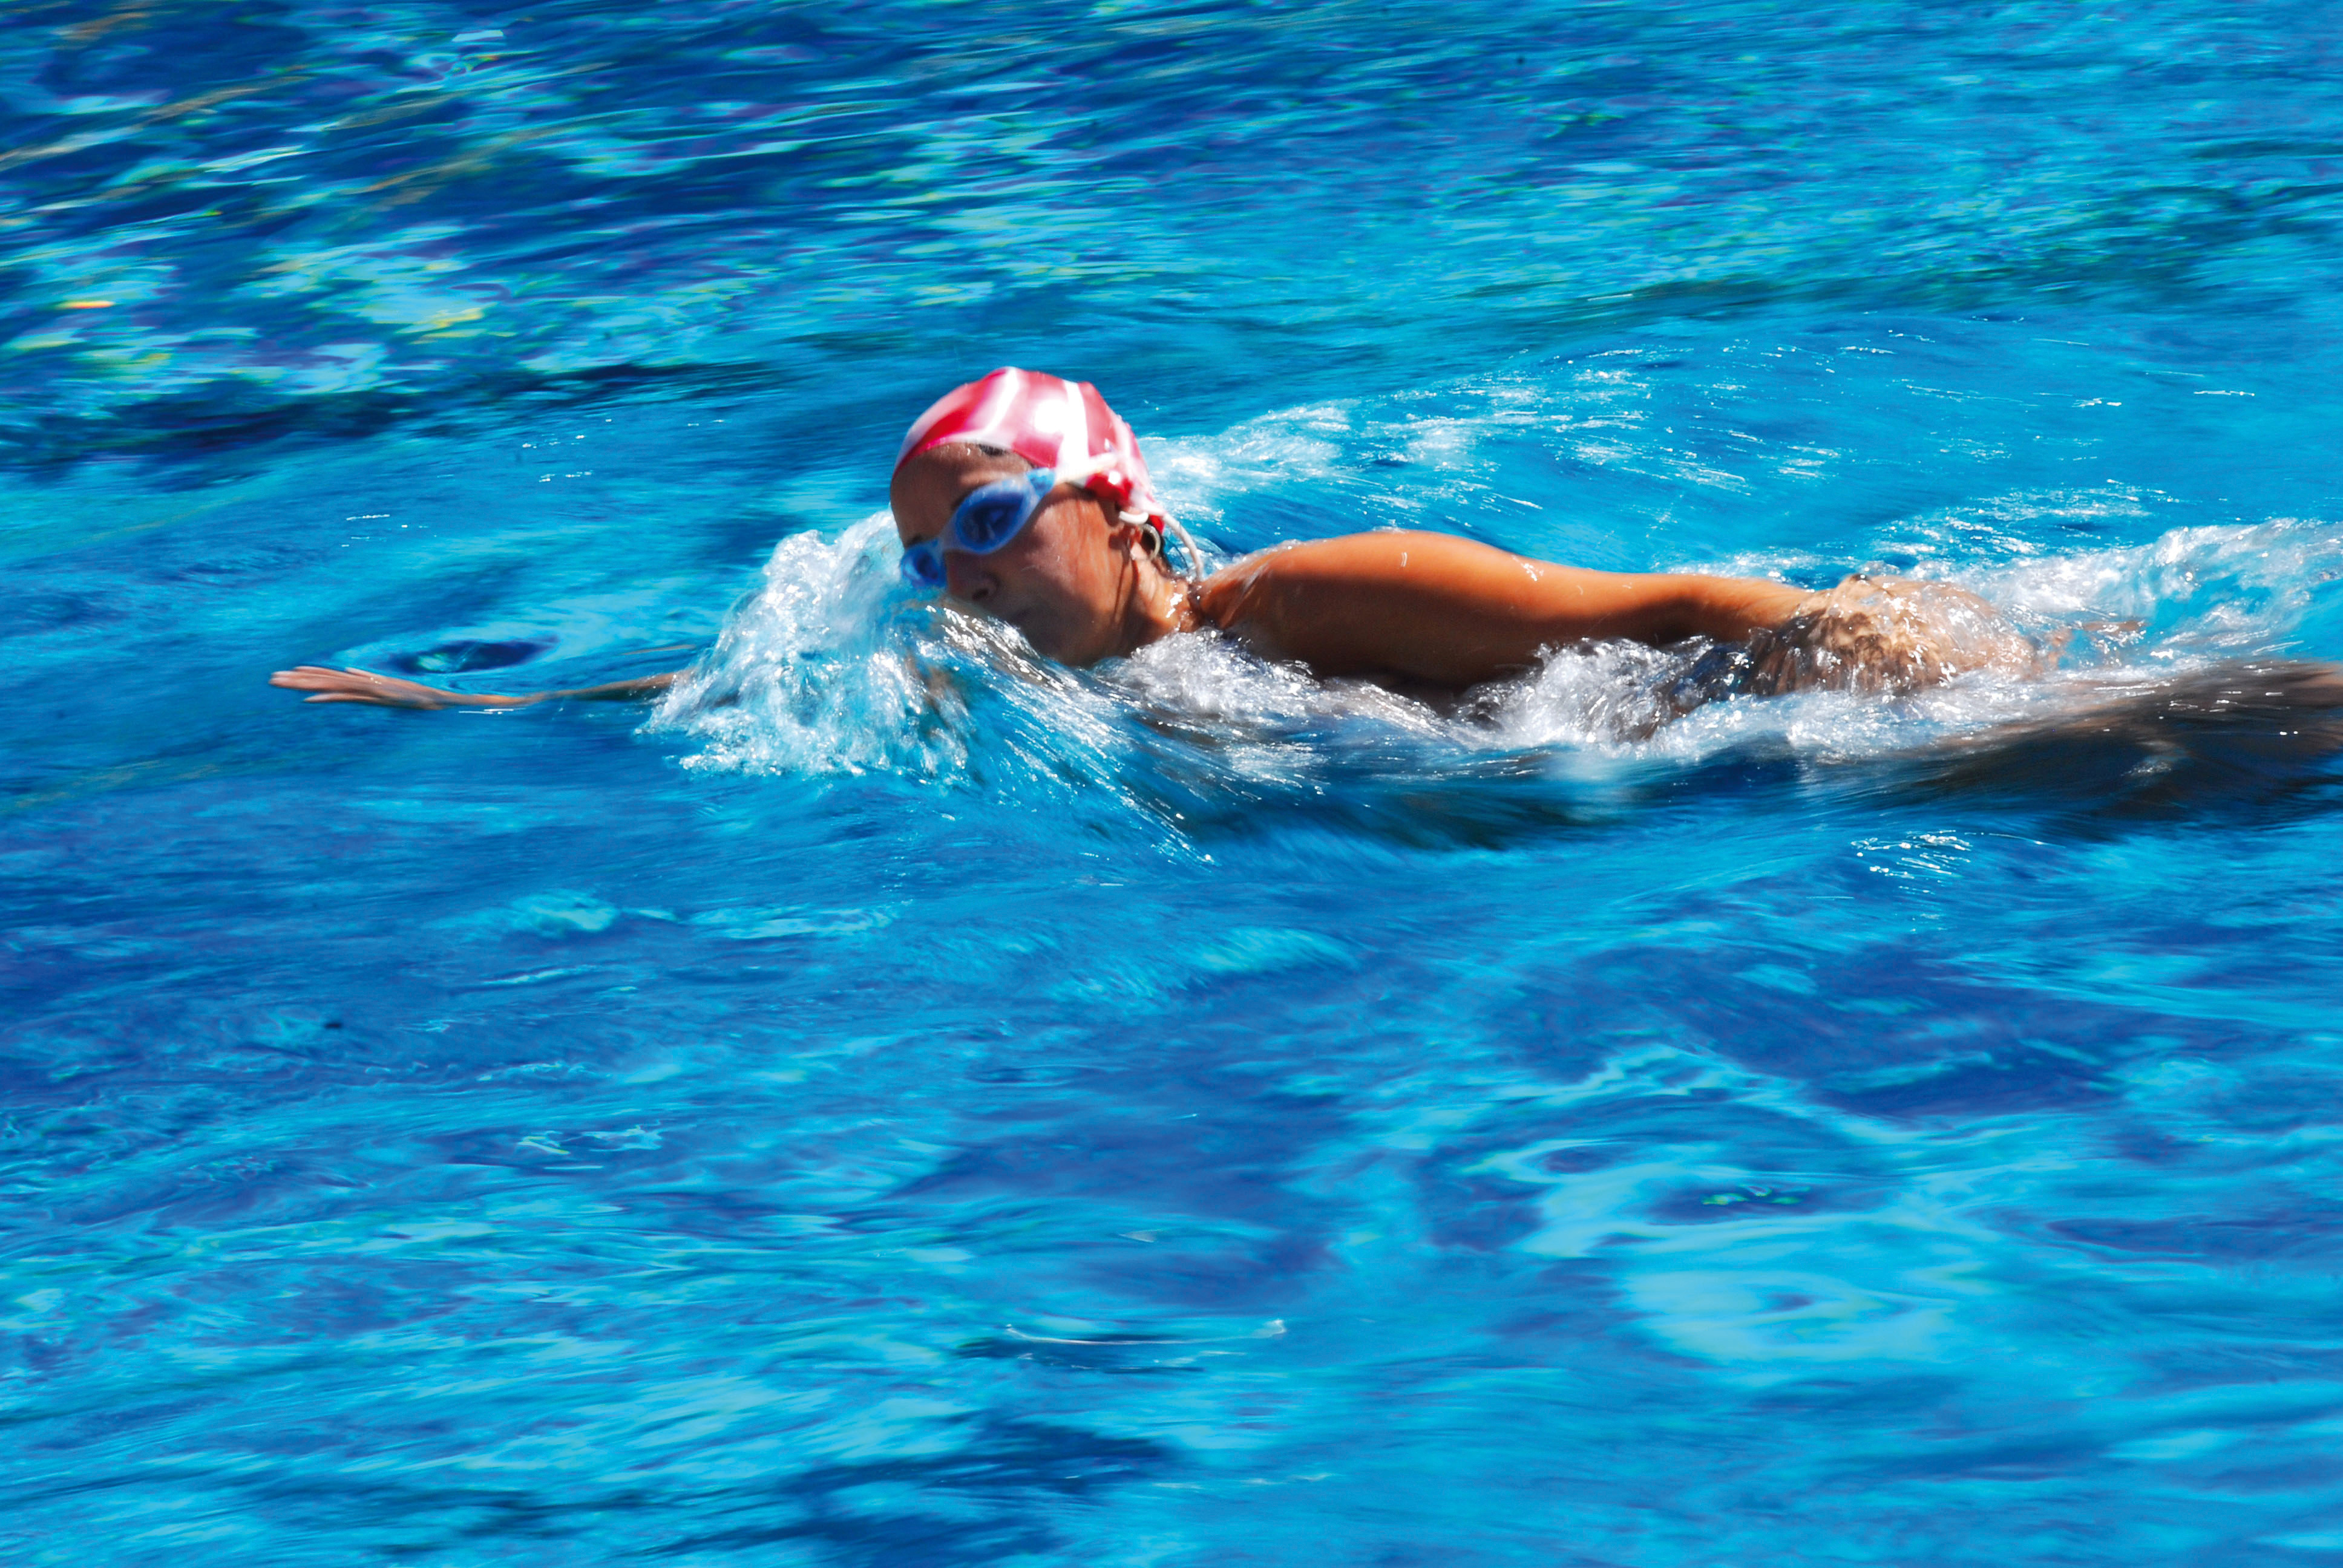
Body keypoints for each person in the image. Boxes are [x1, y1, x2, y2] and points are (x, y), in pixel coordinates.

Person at [270, 367, 2037, 711]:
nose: (958, 578)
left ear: (1120, 513)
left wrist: (1937, 671)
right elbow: (745, 684)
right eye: (930, 556)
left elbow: (1683, 608)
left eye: (985, 520)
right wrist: (501, 711)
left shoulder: (1296, 600)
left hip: (1820, 737)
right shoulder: (1033, 691)